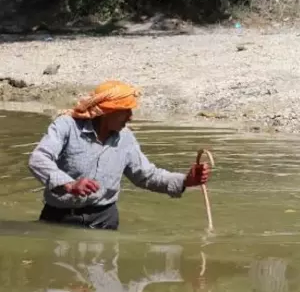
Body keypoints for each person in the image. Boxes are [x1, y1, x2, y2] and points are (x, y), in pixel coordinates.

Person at [27, 79, 211, 230]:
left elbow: (146, 175)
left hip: (104, 220)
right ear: (107, 112)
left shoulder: (126, 138)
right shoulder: (66, 126)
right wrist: (69, 184)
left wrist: (186, 181)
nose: (130, 117)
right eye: (126, 112)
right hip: (58, 217)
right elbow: (38, 159)